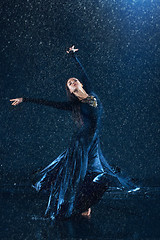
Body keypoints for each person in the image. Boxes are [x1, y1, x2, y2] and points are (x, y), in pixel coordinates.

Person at [10, 46, 140, 220]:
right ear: (70, 91)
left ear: (81, 84)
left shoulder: (91, 93)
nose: (73, 82)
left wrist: (73, 56)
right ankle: (72, 208)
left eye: (74, 81)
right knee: (77, 177)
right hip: (80, 145)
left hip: (93, 143)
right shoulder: (74, 105)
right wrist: (25, 99)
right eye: (69, 84)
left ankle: (84, 205)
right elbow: (48, 102)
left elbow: (83, 71)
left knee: (97, 175)